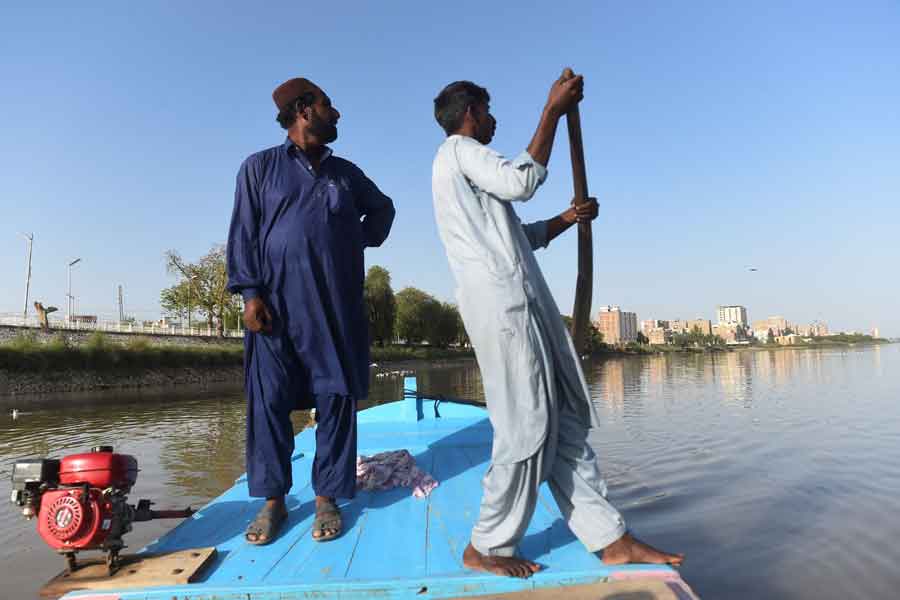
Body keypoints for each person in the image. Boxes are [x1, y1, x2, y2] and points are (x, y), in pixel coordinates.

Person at [430, 74, 683, 578]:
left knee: (564, 417)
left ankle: (610, 538)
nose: (493, 119)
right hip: (504, 309)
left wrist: (569, 218)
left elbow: (519, 235)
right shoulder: (460, 151)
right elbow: (521, 181)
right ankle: (488, 544)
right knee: (526, 425)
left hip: (525, 306)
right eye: (488, 109)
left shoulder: (469, 172)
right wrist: (551, 110)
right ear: (470, 113)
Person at [227, 77, 395, 545]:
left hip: (335, 307)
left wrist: (352, 239)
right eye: (328, 105)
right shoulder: (258, 169)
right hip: (275, 306)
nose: (336, 113)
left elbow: (384, 211)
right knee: (269, 401)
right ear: (303, 110)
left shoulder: (347, 174)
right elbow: (243, 232)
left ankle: (327, 497)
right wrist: (250, 294)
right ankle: (273, 502)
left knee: (336, 397)